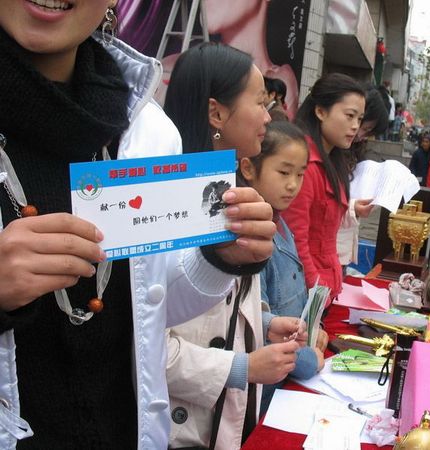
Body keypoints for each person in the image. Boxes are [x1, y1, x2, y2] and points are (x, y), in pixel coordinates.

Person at [0, 3, 275, 449]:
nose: (267, 116)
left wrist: (220, 257)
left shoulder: (148, 132)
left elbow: (151, 306)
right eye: (259, 102)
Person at [163, 43, 302, 449]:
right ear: (216, 113)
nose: (268, 116)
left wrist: (263, 322)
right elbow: (143, 340)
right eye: (260, 103)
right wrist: (242, 368)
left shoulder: (233, 191)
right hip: (177, 430)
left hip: (222, 419)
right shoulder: (168, 203)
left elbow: (218, 305)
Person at [238, 121, 329, 414]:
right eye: (284, 172)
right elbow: (258, 325)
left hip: (288, 378)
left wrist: (314, 330)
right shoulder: (250, 239)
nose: (293, 184)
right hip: (266, 388)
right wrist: (308, 360)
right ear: (249, 169)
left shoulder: (281, 223)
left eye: (300, 174)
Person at [282, 73, 366, 302]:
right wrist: (316, 294)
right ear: (320, 111)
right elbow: (296, 241)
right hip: (306, 291)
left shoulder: (333, 160)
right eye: (349, 116)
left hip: (327, 283)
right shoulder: (305, 165)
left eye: (359, 119)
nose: (355, 126)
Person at [336, 85, 388, 270]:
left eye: (368, 133)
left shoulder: (351, 150)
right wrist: (352, 208)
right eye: (364, 128)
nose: (361, 135)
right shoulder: (328, 152)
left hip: (340, 248)